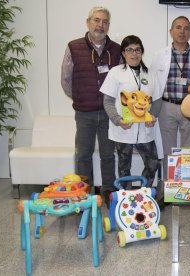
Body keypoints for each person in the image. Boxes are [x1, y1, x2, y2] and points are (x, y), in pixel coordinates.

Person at [61, 6, 121, 205]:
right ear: (88, 22)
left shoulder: (116, 49)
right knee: (83, 155)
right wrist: (80, 98)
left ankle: (108, 191)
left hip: (107, 112)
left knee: (108, 155)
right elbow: (66, 80)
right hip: (84, 113)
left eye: (104, 21)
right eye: (96, 20)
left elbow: (122, 81)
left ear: (109, 25)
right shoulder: (73, 47)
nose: (100, 25)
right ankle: (85, 193)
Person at [100, 35, 161, 192]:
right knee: (124, 165)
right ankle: (126, 196)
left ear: (142, 52)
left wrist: (153, 116)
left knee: (153, 162)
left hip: (146, 129)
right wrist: (117, 119)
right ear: (123, 53)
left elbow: (158, 100)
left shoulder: (151, 74)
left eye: (138, 50)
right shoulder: (115, 73)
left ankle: (144, 193)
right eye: (130, 50)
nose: (134, 54)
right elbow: (107, 101)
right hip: (123, 128)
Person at [150, 16, 190, 185]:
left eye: (186, 28)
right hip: (166, 106)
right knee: (169, 150)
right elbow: (153, 81)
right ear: (171, 31)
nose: (182, 31)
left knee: (189, 149)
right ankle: (170, 186)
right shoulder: (160, 54)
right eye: (178, 27)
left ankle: (187, 186)